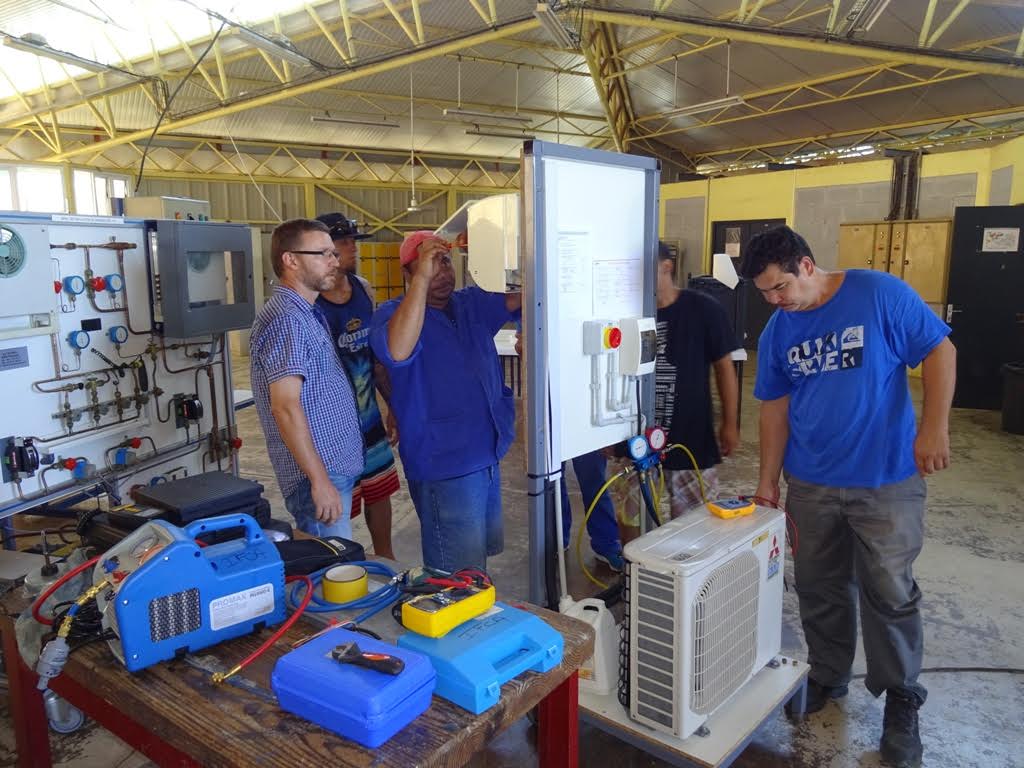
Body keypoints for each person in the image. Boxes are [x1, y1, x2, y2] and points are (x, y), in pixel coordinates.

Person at [741, 225, 955, 768]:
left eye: (779, 287)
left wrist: (934, 428)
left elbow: (939, 349)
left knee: (889, 591)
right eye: (764, 292)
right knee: (820, 585)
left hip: (885, 480)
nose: (774, 300)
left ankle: (902, 700)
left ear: (806, 265)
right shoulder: (777, 330)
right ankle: (829, 675)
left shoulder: (879, 293)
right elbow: (774, 407)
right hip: (811, 481)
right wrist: (769, 479)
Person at [370, 230, 521, 571]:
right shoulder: (393, 315)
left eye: (446, 262)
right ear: (410, 273)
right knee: (456, 572)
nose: (444, 271)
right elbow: (396, 351)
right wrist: (422, 281)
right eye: (430, 264)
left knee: (475, 560)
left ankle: (478, 614)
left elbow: (522, 300)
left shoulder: (467, 304)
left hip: (486, 452)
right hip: (445, 462)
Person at [250, 218, 364, 538]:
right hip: (316, 476)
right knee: (332, 575)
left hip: (331, 469)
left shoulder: (306, 311)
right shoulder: (288, 320)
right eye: (323, 254)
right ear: (291, 260)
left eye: (334, 253)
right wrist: (319, 481)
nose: (335, 261)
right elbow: (285, 407)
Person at [315, 213, 399, 559]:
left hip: (368, 418)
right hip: (333, 428)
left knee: (379, 491)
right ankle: (342, 569)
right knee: (338, 507)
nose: (353, 248)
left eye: (353, 241)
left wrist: (393, 404)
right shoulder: (311, 302)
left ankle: (386, 558)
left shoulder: (363, 289)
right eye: (345, 242)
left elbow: (376, 355)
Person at [652, 241, 739, 517]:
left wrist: (729, 422)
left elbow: (724, 368)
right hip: (635, 441)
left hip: (690, 437)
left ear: (667, 267)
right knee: (631, 517)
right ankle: (631, 563)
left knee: (694, 525)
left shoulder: (703, 309)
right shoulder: (625, 311)